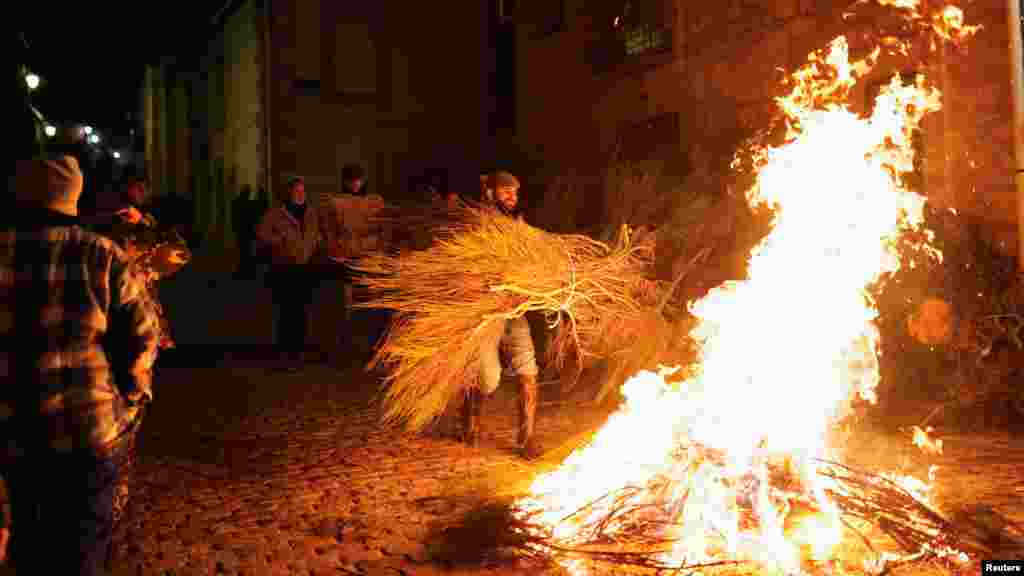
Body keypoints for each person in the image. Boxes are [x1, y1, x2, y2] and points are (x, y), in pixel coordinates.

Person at [0, 155, 161, 575]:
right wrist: (130, 394)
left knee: (31, 535)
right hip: (89, 430)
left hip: (17, 431)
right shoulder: (101, 255)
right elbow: (145, 336)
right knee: (84, 547)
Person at [461, 170, 543, 459]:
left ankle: (527, 437)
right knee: (488, 379)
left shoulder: (519, 226)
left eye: (516, 192)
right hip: (485, 314)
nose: (513, 197)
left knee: (528, 372)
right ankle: (471, 418)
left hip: (515, 310)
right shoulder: (476, 223)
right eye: (506, 191)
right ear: (490, 192)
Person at [319, 164, 389, 354]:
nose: (355, 183)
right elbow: (328, 232)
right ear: (344, 181)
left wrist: (380, 251)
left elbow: (385, 229)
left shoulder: (375, 202)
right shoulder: (335, 202)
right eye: (351, 179)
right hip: (347, 259)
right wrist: (335, 251)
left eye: (358, 179)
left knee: (373, 303)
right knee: (346, 306)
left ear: (363, 179)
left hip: (370, 259)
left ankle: (374, 346)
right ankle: (345, 346)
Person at [256, 175, 321, 372]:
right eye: (296, 192)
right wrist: (281, 241)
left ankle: (299, 348)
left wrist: (315, 243)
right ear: (289, 193)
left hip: (305, 267)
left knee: (302, 309)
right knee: (286, 309)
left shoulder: (311, 213)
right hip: (284, 268)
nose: (300, 195)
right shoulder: (276, 213)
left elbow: (317, 233)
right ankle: (285, 349)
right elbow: (262, 233)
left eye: (303, 191)